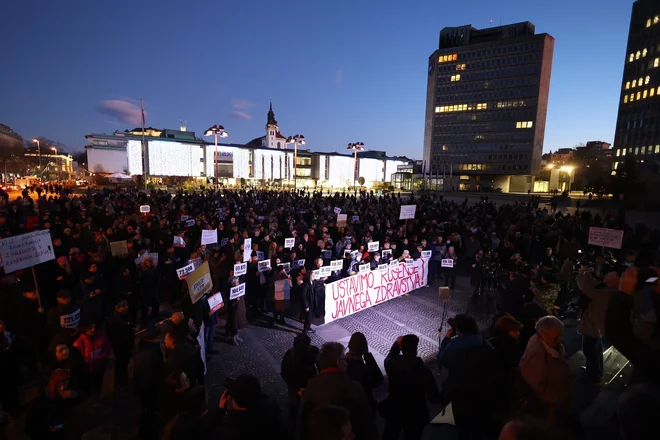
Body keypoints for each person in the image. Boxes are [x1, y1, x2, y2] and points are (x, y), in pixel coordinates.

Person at [298, 342, 377, 440]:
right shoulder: (353, 387)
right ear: (338, 362)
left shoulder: (311, 386)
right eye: (344, 359)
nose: (347, 363)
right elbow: (367, 424)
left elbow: (303, 423)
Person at [437, 314, 499, 439]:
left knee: (463, 426)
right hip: (481, 390)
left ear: (459, 330)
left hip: (460, 390)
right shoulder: (484, 343)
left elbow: (442, 359)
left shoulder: (454, 345)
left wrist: (446, 339)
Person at [382, 335, 440, 440]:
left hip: (396, 408)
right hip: (416, 411)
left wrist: (396, 345)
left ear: (402, 348)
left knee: (391, 435)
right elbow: (433, 396)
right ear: (416, 349)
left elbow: (388, 359)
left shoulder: (392, 364)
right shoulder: (423, 370)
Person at [519, 316, 571, 425]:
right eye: (556, 337)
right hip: (550, 404)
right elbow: (537, 385)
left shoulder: (548, 342)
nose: (559, 340)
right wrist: (555, 398)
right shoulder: (536, 353)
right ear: (543, 334)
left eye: (560, 336)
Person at [211, 374, 286, 440]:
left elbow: (212, 433)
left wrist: (220, 410)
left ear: (236, 404)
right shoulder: (271, 405)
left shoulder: (234, 429)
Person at [575, 270, 618, 382]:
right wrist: (587, 274)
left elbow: (586, 288)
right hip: (596, 324)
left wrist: (580, 275)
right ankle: (596, 371)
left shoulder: (604, 292)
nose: (605, 276)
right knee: (595, 347)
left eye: (607, 276)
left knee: (589, 349)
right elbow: (593, 284)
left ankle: (593, 375)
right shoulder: (610, 290)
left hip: (593, 324)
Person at [280, 333, 319, 429]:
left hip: (297, 385)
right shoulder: (311, 352)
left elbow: (284, 372)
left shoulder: (290, 354)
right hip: (302, 384)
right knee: (303, 404)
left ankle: (294, 423)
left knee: (295, 405)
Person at [133, 326, 164, 440]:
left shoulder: (143, 349)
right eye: (159, 337)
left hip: (144, 388)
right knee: (149, 413)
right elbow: (150, 375)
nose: (161, 339)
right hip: (149, 390)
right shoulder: (150, 354)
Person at [345, 332, 383, 409]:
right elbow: (378, 380)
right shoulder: (363, 368)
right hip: (365, 403)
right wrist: (368, 357)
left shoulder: (343, 363)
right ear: (364, 348)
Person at [72, 322, 111, 397]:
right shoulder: (78, 343)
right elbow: (78, 360)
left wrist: (101, 357)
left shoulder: (101, 336)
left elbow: (107, 348)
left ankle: (97, 399)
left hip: (100, 367)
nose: (93, 329)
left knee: (98, 385)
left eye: (94, 327)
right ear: (83, 330)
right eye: (90, 328)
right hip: (88, 371)